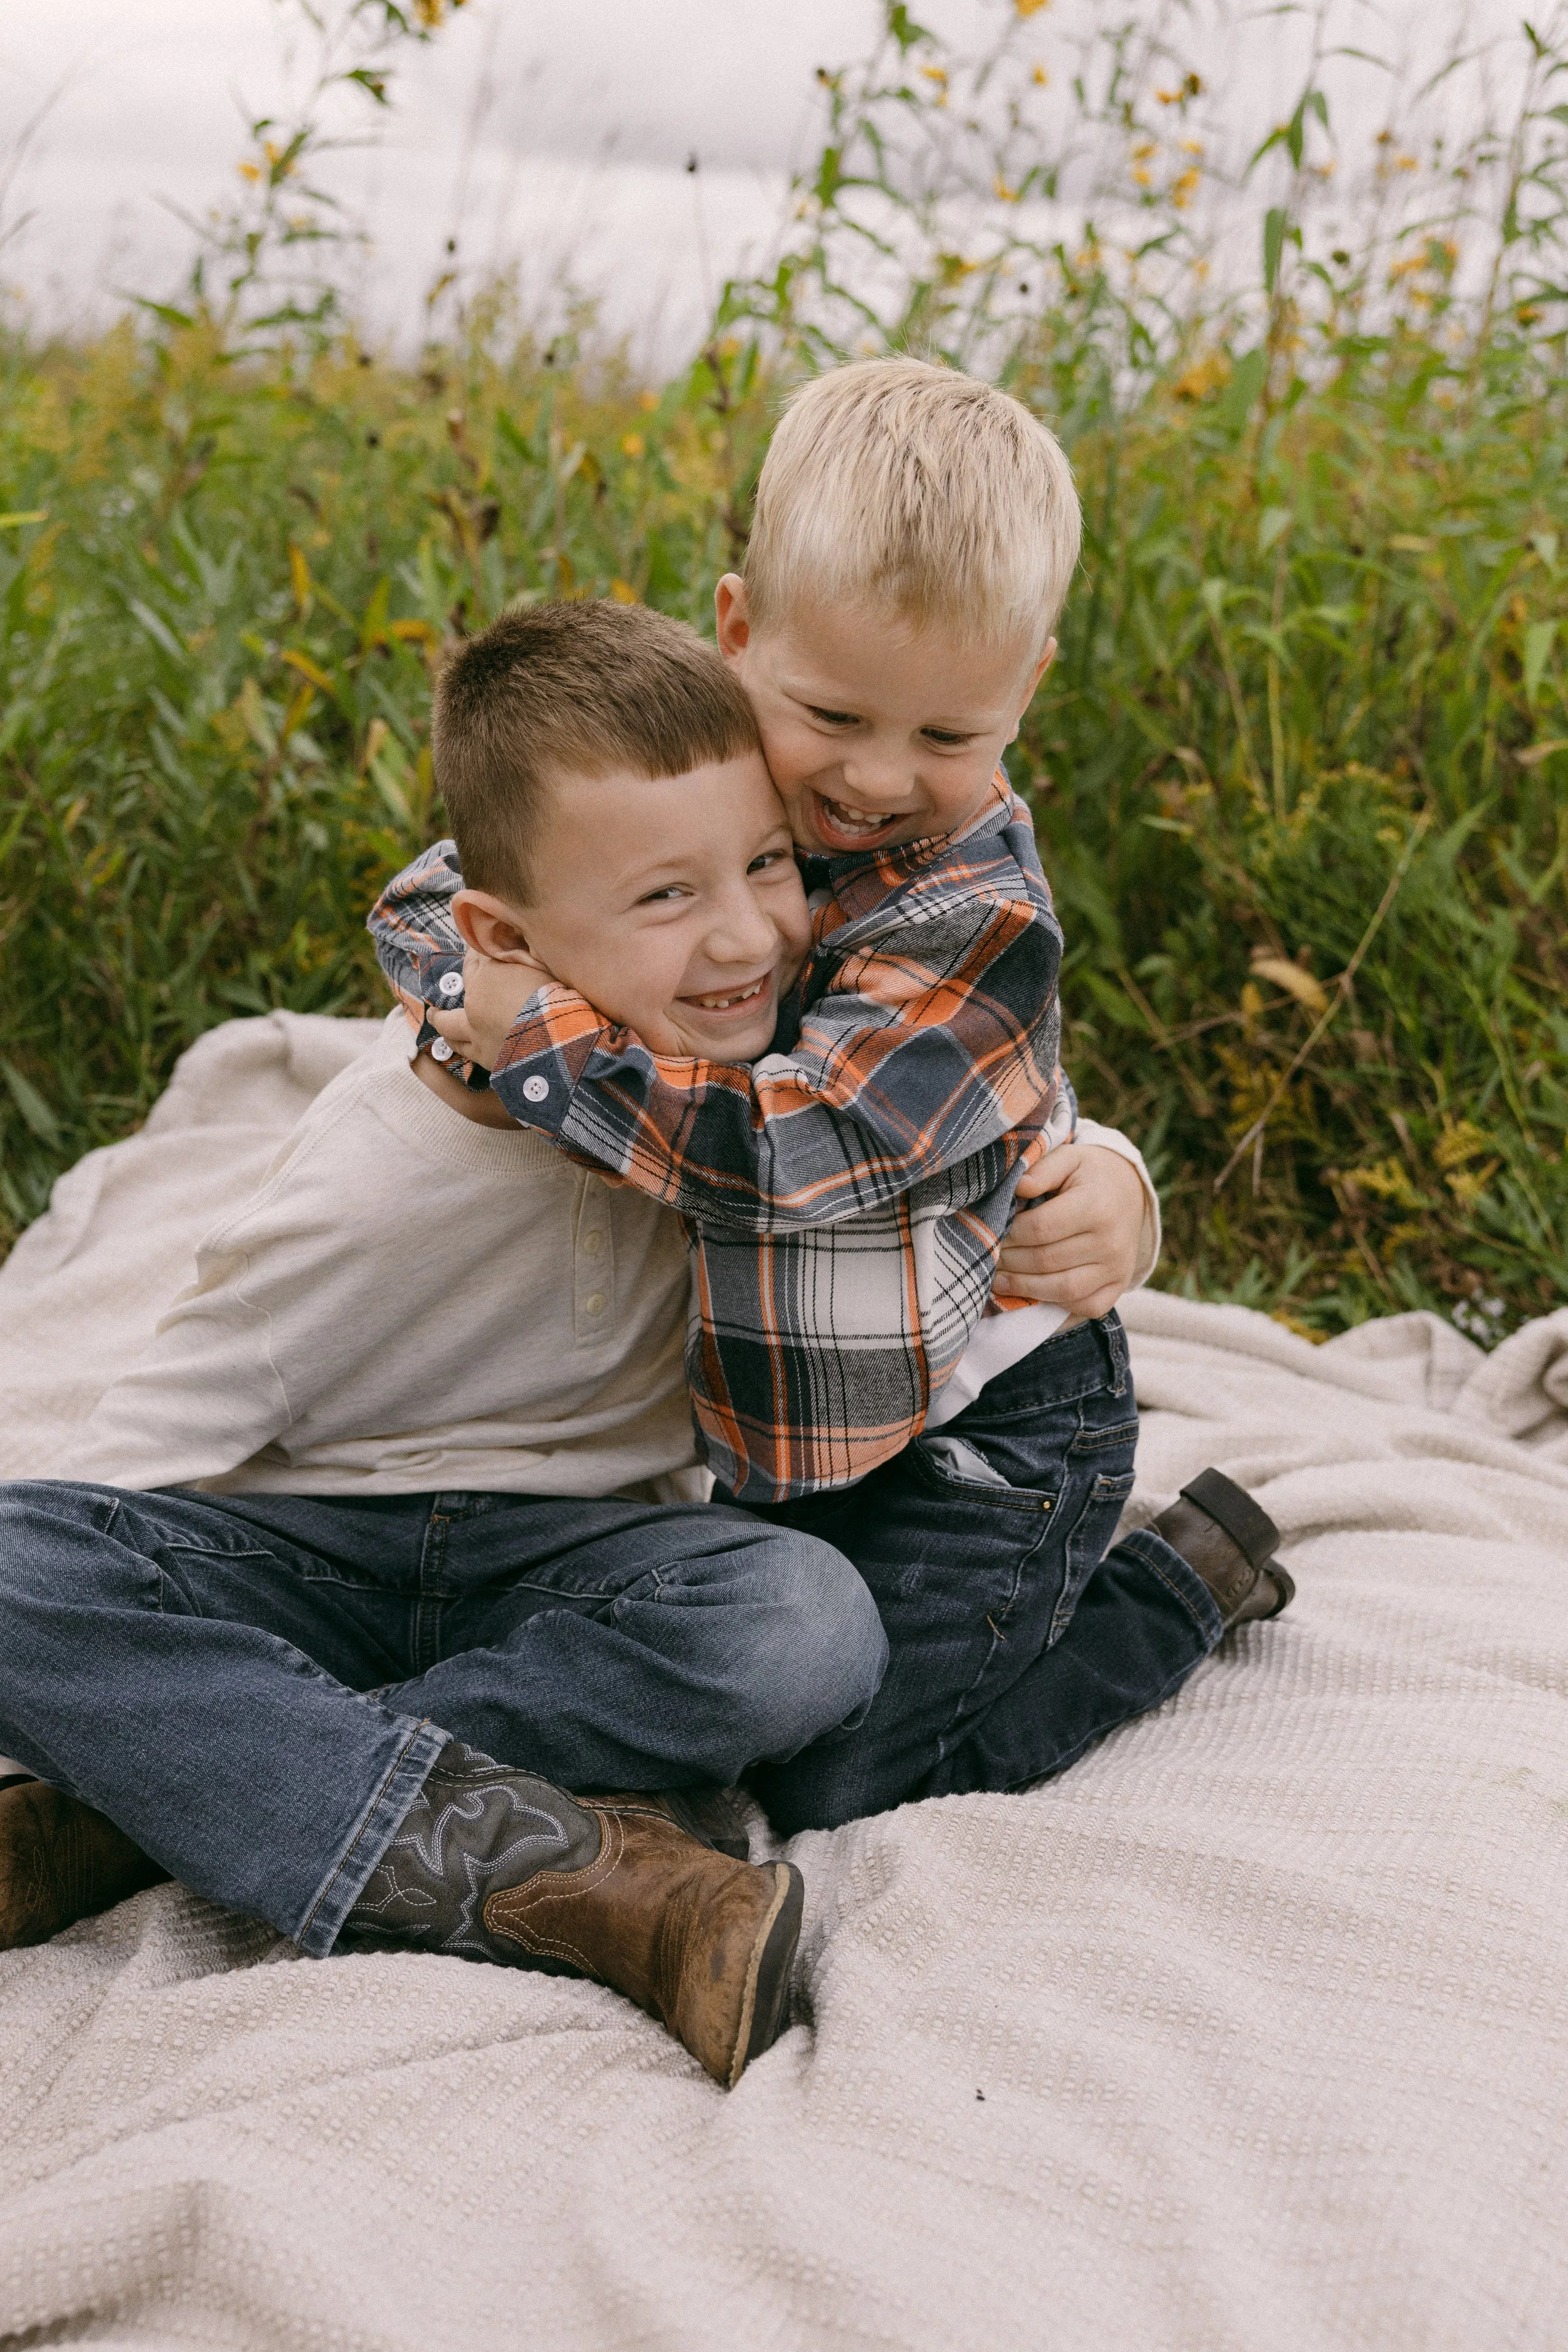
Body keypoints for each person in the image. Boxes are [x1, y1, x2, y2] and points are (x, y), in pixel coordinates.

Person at [371, 358, 1293, 1845]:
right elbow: (449, 904)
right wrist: (499, 986)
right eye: (833, 713)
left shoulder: (977, 919)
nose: (872, 779)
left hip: (992, 1441)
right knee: (735, 1681)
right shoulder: (694, 766)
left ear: (1026, 688)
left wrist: (539, 1041)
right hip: (776, 1431)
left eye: (946, 737)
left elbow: (792, 1154)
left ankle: (1174, 1585)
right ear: (739, 633)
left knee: (837, 1788)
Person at [0, 622, 902, 2088]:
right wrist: (82, 1664)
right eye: (666, 896)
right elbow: (153, 1452)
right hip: (314, 1566)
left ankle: (156, 1808)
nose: (743, 937)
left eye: (765, 865)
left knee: (803, 1623)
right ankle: (593, 1889)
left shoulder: (760, 1081)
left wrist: (1115, 1178)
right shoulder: (373, 1178)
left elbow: (963, 1100)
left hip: (581, 1575)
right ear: (499, 942)